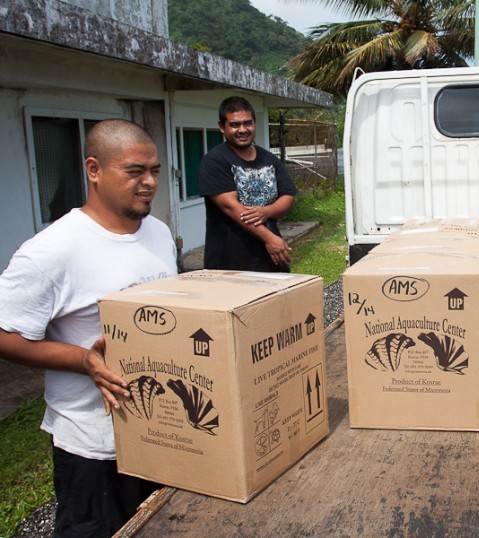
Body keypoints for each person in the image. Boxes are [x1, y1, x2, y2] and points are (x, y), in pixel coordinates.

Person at [0, 119, 177, 537]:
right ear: (94, 170)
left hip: (161, 433)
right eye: (135, 171)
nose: (149, 182)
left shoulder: (158, 232)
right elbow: (6, 335)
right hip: (93, 444)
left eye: (154, 170)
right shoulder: (51, 251)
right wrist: (84, 360)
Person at [198, 96, 297, 272]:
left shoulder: (269, 159)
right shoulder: (214, 161)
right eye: (235, 125)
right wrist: (269, 238)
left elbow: (287, 197)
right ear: (222, 127)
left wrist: (268, 211)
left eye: (247, 123)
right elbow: (231, 207)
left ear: (254, 123)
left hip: (270, 260)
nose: (242, 130)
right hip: (229, 264)